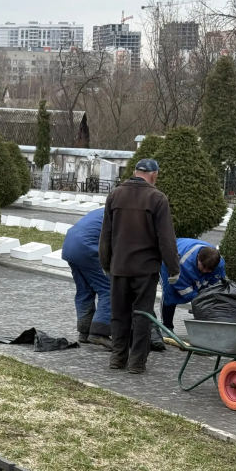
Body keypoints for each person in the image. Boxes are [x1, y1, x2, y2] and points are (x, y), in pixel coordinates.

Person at [99, 158, 179, 374]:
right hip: (145, 269)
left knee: (119, 313)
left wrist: (105, 262)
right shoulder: (157, 198)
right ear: (153, 175)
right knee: (142, 315)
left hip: (119, 266)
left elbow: (105, 234)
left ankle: (117, 358)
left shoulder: (115, 194)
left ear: (135, 172)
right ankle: (136, 363)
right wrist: (174, 268)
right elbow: (166, 238)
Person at [62, 208, 111, 349]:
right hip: (87, 247)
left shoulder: (104, 210)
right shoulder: (122, 214)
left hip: (70, 246)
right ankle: (99, 332)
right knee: (109, 288)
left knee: (85, 290)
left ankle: (84, 331)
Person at [159, 238, 225, 330]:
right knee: (170, 294)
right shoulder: (182, 262)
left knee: (206, 295)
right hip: (170, 264)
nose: (205, 271)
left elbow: (215, 287)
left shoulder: (219, 265)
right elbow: (182, 287)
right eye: (203, 267)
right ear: (198, 257)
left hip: (188, 259)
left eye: (209, 269)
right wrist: (197, 300)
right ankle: (167, 326)